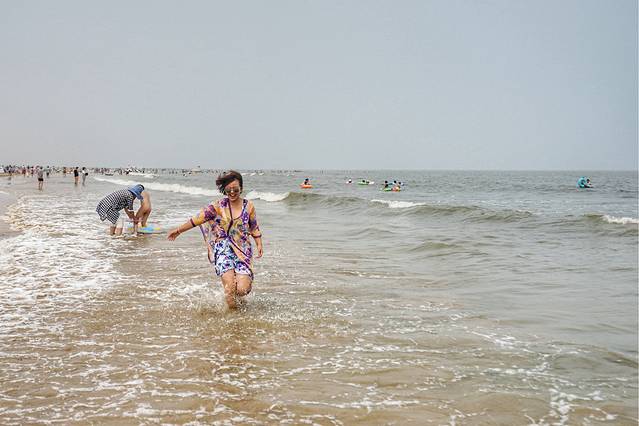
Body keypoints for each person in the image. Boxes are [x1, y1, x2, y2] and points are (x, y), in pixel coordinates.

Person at [167, 170, 263, 309]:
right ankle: (234, 318)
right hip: (223, 248)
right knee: (230, 288)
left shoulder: (248, 206)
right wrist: (178, 231)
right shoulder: (218, 206)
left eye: (235, 189)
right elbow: (197, 219)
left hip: (243, 250)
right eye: (228, 190)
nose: (232, 192)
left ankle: (239, 300)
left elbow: (253, 226)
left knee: (242, 290)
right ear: (224, 190)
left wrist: (259, 243)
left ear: (241, 188)